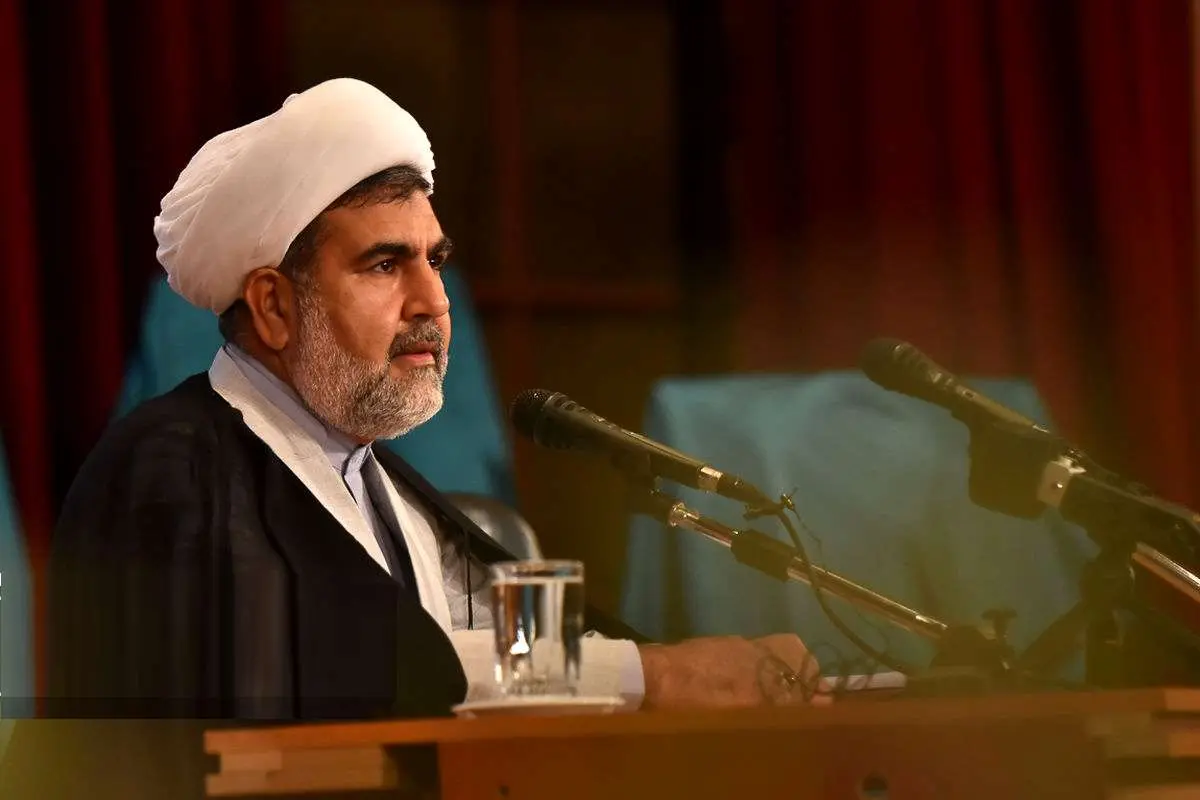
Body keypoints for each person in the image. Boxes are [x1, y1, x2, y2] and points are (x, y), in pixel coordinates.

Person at [39, 78, 817, 725]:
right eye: (385, 265)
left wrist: (700, 672)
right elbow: (298, 668)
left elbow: (506, 660)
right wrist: (652, 676)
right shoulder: (167, 468)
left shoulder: (384, 485)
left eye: (434, 261)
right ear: (274, 305)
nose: (434, 303)